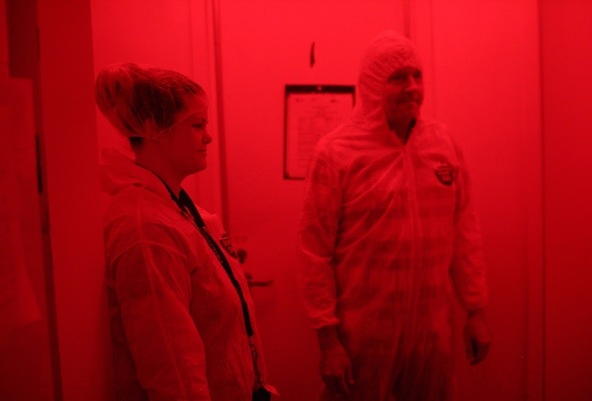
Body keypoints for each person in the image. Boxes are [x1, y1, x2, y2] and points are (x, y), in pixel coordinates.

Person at [298, 31, 491, 401]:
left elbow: (464, 232)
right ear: (372, 86)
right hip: (362, 335)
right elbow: (314, 251)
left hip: (431, 332)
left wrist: (476, 310)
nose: (412, 87)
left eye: (417, 76)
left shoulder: (442, 144)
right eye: (398, 78)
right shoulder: (338, 152)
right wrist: (327, 338)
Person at [96, 63, 275, 401]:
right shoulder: (146, 230)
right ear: (153, 127)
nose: (208, 136)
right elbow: (172, 368)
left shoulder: (175, 210)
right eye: (197, 125)